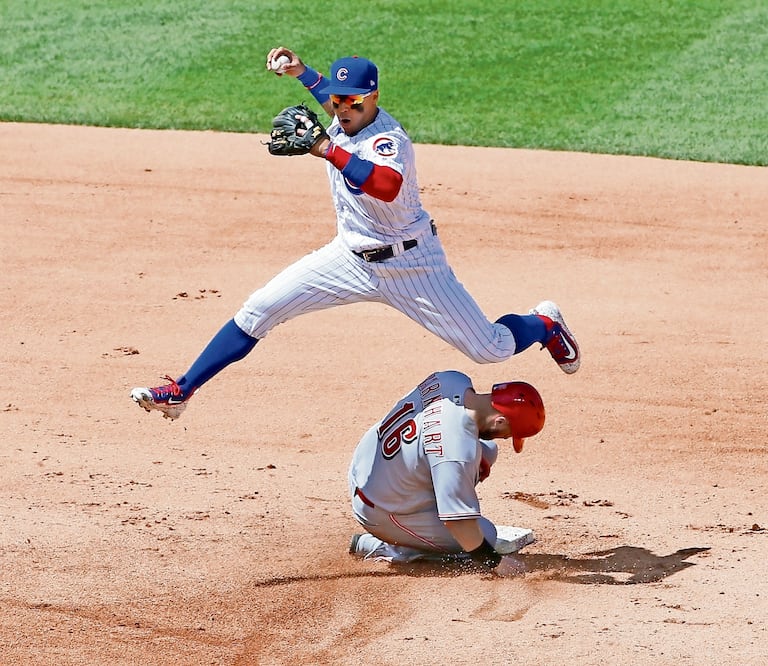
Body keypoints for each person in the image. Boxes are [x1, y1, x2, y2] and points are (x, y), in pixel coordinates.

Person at [130, 47, 580, 420]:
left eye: (354, 102)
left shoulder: (388, 140)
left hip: (413, 266)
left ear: (374, 97)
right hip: (348, 259)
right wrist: (300, 71)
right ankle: (182, 391)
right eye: (339, 101)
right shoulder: (343, 114)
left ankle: (544, 323)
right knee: (259, 309)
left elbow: (386, 185)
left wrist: (326, 150)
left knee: (490, 348)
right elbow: (327, 93)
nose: (343, 108)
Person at [347, 370, 544, 572]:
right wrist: (495, 563)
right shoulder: (456, 449)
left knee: (487, 452)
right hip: (379, 510)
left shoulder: (452, 380)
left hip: (367, 465)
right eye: (508, 434)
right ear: (500, 421)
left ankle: (429, 502)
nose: (503, 438)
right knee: (484, 535)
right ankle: (386, 547)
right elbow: (458, 523)